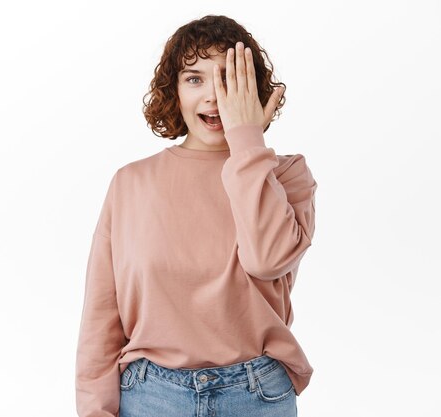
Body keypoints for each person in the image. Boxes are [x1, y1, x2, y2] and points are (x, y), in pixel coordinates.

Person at [75, 14, 317, 417]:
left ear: (250, 92)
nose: (213, 95)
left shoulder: (286, 176)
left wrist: (246, 142)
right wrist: (95, 410)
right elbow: (102, 316)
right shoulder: (131, 183)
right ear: (174, 90)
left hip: (257, 395)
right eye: (194, 78)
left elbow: (267, 259)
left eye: (229, 79)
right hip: (150, 395)